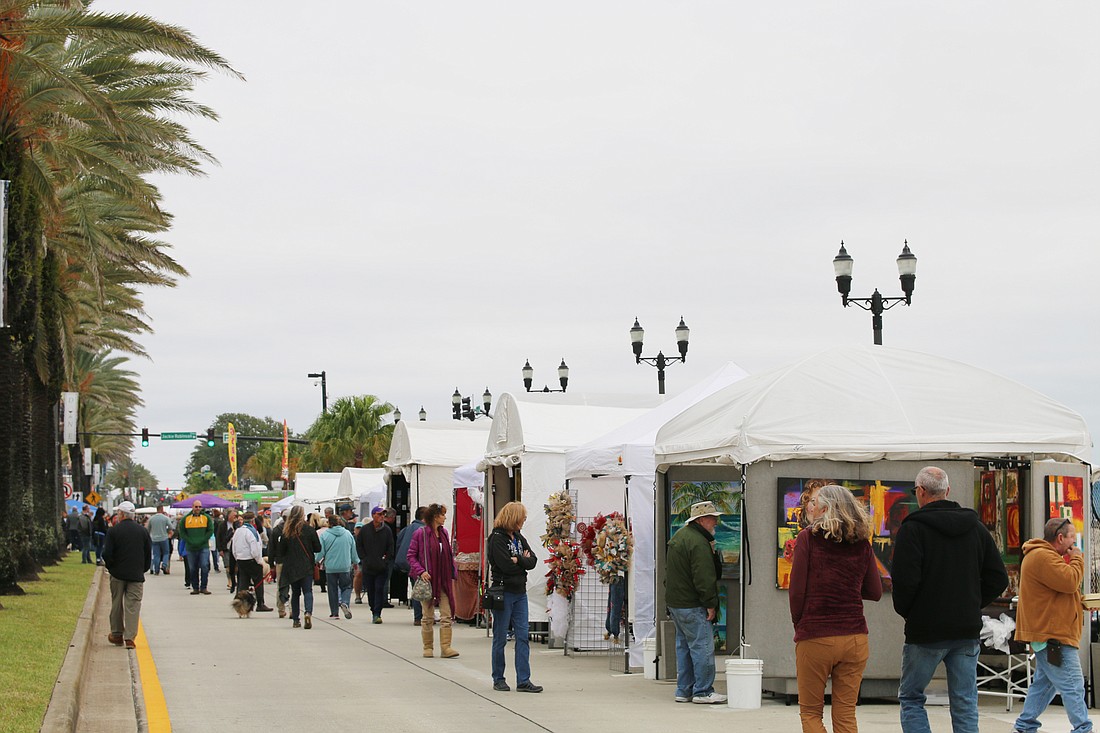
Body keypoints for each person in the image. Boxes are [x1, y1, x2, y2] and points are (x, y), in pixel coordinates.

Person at [892, 466, 1008, 733]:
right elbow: (998, 578)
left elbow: (904, 582)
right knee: (965, 702)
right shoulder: (976, 528)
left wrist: (911, 611)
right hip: (965, 630)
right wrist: (971, 603)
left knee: (911, 697)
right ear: (948, 490)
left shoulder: (913, 530)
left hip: (926, 630)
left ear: (920, 492)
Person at [789, 485, 883, 733]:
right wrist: (847, 586)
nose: (810, 506)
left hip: (816, 634)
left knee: (810, 712)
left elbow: (796, 591)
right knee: (845, 713)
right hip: (855, 638)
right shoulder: (862, 542)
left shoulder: (807, 539)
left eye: (815, 502)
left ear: (826, 508)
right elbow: (874, 591)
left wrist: (799, 624)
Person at [1011, 517, 1092, 733]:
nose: (1075, 543)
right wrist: (1077, 558)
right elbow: (1070, 581)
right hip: (1053, 636)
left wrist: (1082, 603)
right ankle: (1083, 728)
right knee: (1073, 685)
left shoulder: (1043, 556)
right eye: (1072, 537)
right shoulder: (1043, 557)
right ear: (1060, 537)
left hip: (1049, 634)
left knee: (1043, 686)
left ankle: (1024, 726)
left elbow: (1058, 592)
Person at [665, 500, 726, 704]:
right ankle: (703, 691)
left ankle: (684, 690)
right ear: (701, 520)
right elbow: (704, 578)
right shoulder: (699, 543)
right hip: (693, 604)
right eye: (712, 518)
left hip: (677, 603)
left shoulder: (680, 537)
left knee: (684, 647)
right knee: (703, 647)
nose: (716, 522)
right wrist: (711, 604)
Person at [487, 501, 542, 693]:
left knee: (522, 636)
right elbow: (504, 565)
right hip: (503, 592)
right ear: (513, 518)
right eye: (522, 518)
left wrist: (518, 559)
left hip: (520, 593)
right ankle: (498, 678)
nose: (524, 522)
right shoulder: (496, 539)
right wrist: (522, 562)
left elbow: (533, 560)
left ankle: (523, 679)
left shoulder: (518, 537)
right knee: (500, 637)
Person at [408, 503, 460, 658]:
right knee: (427, 616)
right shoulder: (420, 533)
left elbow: (449, 556)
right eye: (443, 514)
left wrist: (452, 572)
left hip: (443, 580)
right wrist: (421, 571)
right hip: (429, 581)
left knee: (446, 615)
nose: (445, 517)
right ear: (435, 516)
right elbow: (411, 555)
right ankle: (428, 647)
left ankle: (446, 647)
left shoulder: (443, 533)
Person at [102, 502, 151, 650]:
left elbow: (106, 553)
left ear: (122, 515)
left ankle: (117, 634)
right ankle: (130, 638)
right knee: (133, 605)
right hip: (136, 574)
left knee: (117, 603)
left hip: (117, 574)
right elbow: (148, 552)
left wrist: (111, 567)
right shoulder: (142, 531)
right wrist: (143, 568)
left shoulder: (114, 531)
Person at [275, 505, 321, 629]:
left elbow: (281, 551)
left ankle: (296, 619)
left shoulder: (286, 531)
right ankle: (308, 612)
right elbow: (318, 548)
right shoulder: (309, 530)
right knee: (307, 591)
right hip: (306, 565)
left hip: (291, 567)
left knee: (295, 593)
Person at [356, 506, 394, 624]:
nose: (382, 517)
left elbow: (391, 546)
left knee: (379, 589)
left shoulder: (387, 530)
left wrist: (386, 560)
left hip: (382, 567)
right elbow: (359, 545)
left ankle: (377, 613)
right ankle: (373, 609)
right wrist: (364, 558)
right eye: (379, 514)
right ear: (373, 515)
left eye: (383, 515)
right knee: (371, 590)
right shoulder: (365, 530)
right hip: (368, 566)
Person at [231, 511, 273, 612]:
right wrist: (259, 561)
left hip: (241, 559)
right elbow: (255, 548)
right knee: (258, 582)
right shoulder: (252, 531)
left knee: (243, 583)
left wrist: (237, 558)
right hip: (251, 560)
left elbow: (234, 547)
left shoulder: (238, 531)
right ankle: (260, 603)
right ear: (253, 520)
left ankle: (241, 604)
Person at [318, 515, 357, 620]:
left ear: (329, 523)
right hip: (345, 565)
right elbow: (353, 550)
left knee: (332, 589)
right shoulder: (348, 534)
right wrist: (356, 561)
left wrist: (316, 560)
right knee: (347, 586)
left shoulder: (325, 535)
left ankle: (334, 612)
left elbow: (321, 551)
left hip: (330, 567)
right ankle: (344, 602)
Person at [396, 507, 428, 625]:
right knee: (422, 591)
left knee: (416, 589)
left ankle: (418, 616)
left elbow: (398, 543)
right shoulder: (423, 530)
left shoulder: (407, 529)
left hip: (407, 563)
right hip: (419, 565)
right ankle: (420, 616)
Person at [178, 499, 215, 595]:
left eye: (199, 507)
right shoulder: (185, 519)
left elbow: (210, 530)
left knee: (204, 566)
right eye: (196, 507)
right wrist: (189, 540)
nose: (198, 508)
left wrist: (203, 540)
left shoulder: (206, 518)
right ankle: (195, 587)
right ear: (192, 507)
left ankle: (204, 587)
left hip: (203, 547)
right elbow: (182, 532)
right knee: (192, 568)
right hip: (190, 547)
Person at [146, 505, 173, 575]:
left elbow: (147, 529)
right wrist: (167, 531)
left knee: (156, 554)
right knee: (166, 553)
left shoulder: (151, 519)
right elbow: (171, 527)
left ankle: (156, 570)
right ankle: (164, 565)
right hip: (164, 538)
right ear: (162, 509)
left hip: (154, 539)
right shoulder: (165, 518)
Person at [210, 508, 224, 573]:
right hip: (215, 538)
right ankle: (216, 567)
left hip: (211, 538)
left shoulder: (212, 521)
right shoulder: (219, 521)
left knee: (211, 553)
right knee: (215, 554)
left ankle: (208, 566)